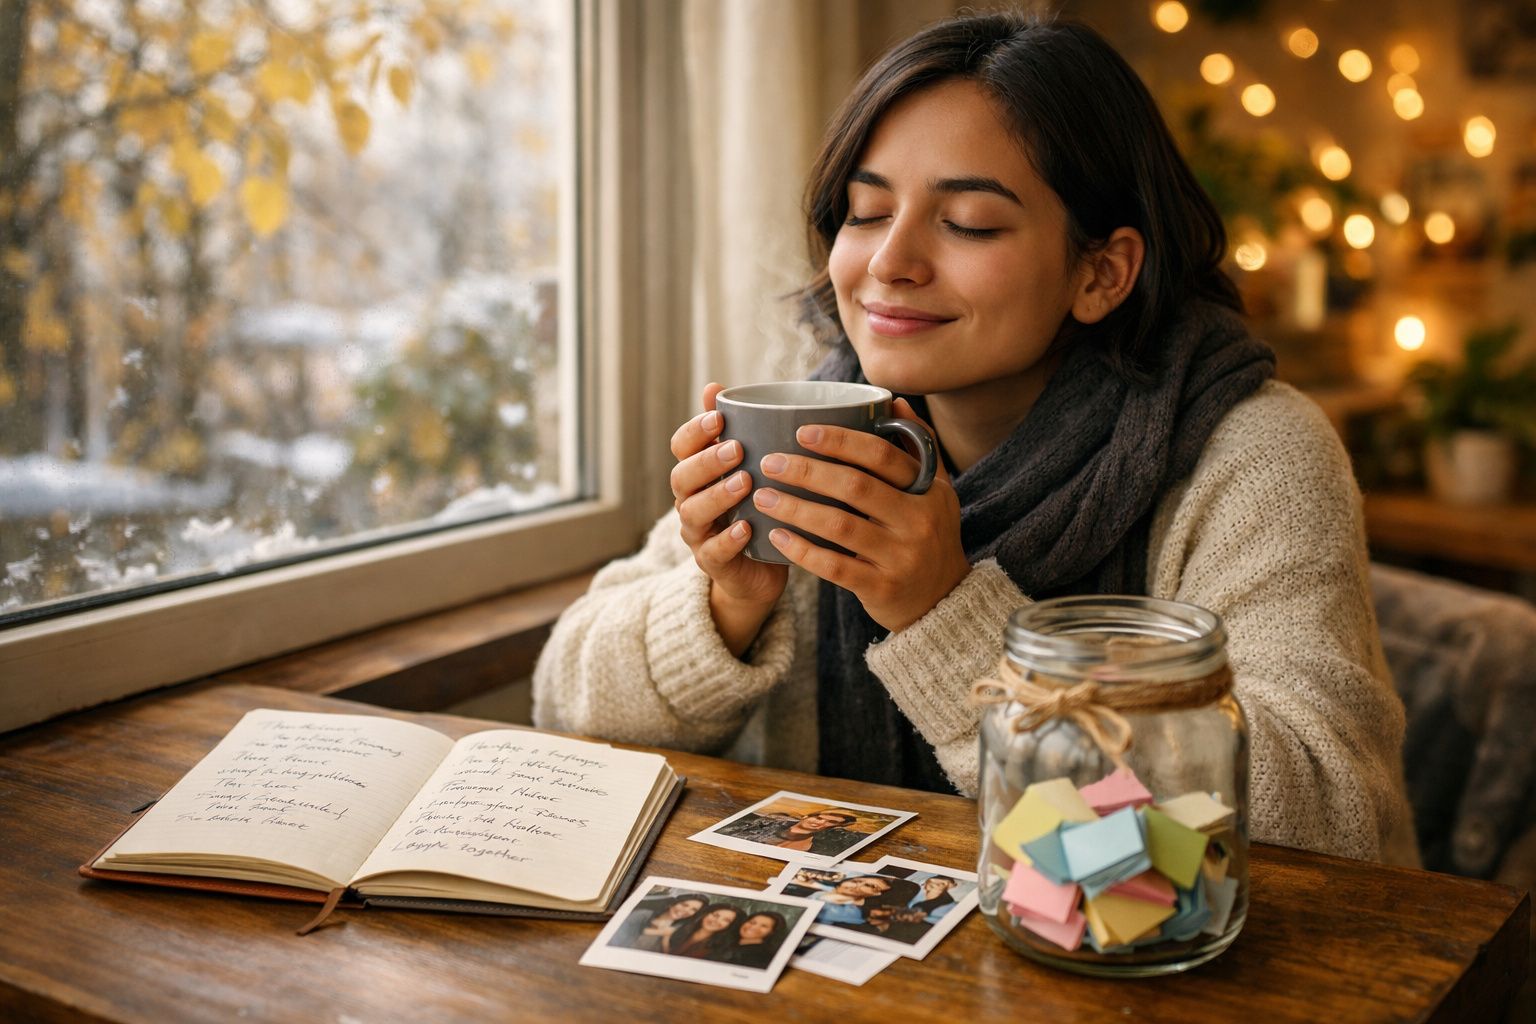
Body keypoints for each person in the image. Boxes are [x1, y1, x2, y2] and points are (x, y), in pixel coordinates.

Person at [532, 11, 1416, 866]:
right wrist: (727, 604)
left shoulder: (1249, 452)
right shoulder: (825, 418)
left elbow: (1327, 820)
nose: (890, 262)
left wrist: (943, 614)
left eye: (969, 225)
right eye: (866, 212)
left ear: (1102, 272)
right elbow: (565, 698)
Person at [715, 808, 862, 856]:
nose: (820, 822)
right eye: (818, 817)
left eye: (830, 822)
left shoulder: (823, 845)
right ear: (806, 816)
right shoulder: (763, 824)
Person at [610, 892, 708, 952]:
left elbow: (667, 956)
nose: (686, 911)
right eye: (684, 905)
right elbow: (615, 935)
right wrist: (659, 932)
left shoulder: (678, 928)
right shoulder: (642, 915)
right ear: (672, 904)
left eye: (693, 910)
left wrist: (666, 937)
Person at [667, 903, 742, 959]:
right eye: (715, 915)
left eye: (726, 920)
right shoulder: (679, 929)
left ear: (730, 926)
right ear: (706, 914)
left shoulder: (719, 951)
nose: (716, 920)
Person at [722, 911, 790, 969]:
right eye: (752, 922)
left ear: (772, 932)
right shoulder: (727, 943)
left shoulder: (762, 955)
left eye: (764, 926)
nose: (754, 927)